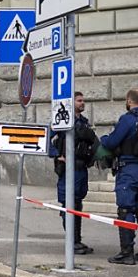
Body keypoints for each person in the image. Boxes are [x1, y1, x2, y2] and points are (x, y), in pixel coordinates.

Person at [100, 89, 138, 265]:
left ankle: (127, 252)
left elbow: (112, 142)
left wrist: (104, 139)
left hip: (129, 171)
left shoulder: (127, 119)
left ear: (128, 101)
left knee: (126, 210)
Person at [49, 92, 97, 255]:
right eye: (79, 101)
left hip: (81, 169)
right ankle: (72, 241)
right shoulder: (62, 120)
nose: (82, 103)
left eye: (83, 100)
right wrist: (57, 154)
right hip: (68, 171)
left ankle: (76, 240)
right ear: (72, 103)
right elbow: (45, 138)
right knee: (68, 204)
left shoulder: (83, 122)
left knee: (77, 204)